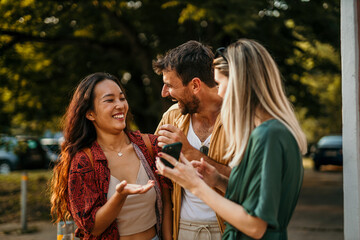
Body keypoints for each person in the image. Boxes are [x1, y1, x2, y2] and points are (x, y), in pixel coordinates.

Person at [156, 39, 308, 240]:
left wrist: (196, 185)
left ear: (238, 84)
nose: (217, 92)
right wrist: (217, 180)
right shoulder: (273, 132)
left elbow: (256, 226)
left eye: (219, 84)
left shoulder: (267, 135)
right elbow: (254, 197)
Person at [50, 72, 172, 240]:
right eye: (109, 100)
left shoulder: (149, 146)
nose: (120, 105)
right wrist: (120, 196)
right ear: (90, 113)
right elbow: (93, 228)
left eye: (122, 98)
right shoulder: (84, 161)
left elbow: (167, 203)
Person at [153, 40, 231, 240]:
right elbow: (161, 181)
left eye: (169, 85)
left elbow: (248, 183)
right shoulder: (171, 117)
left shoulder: (238, 119)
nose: (164, 93)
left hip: (230, 229)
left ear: (195, 85)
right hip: (183, 230)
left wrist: (190, 152)